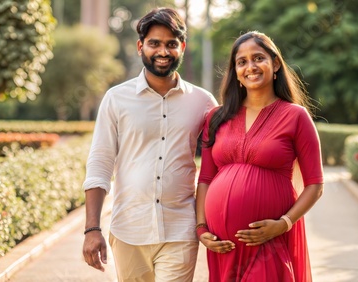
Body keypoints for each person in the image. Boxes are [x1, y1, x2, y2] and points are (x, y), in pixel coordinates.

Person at [82, 7, 218, 281]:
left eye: (171, 44)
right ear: (140, 46)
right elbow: (100, 162)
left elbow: (222, 163)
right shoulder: (116, 99)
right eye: (155, 43)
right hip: (128, 229)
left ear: (182, 46)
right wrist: (91, 229)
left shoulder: (203, 102)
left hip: (180, 229)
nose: (163, 51)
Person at [195, 31, 324, 281]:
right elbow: (206, 178)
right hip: (223, 246)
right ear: (235, 72)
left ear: (275, 64)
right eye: (241, 62)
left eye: (258, 58)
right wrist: (201, 228)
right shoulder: (217, 117)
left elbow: (315, 185)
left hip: (268, 242)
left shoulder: (295, 116)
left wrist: (284, 223)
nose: (250, 67)